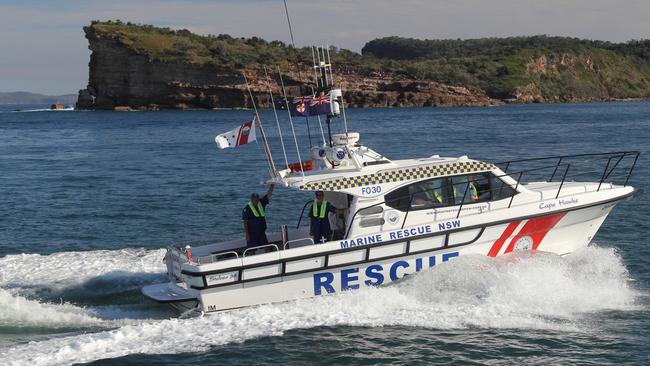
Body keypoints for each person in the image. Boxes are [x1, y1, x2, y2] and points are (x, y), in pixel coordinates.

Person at [242, 184, 274, 249]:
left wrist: (272, 186)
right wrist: (247, 234)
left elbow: (268, 195)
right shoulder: (247, 209)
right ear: (251, 199)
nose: (256, 200)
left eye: (257, 198)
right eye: (254, 199)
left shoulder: (261, 202)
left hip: (261, 232)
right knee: (251, 250)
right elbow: (245, 222)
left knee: (267, 247)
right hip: (252, 234)